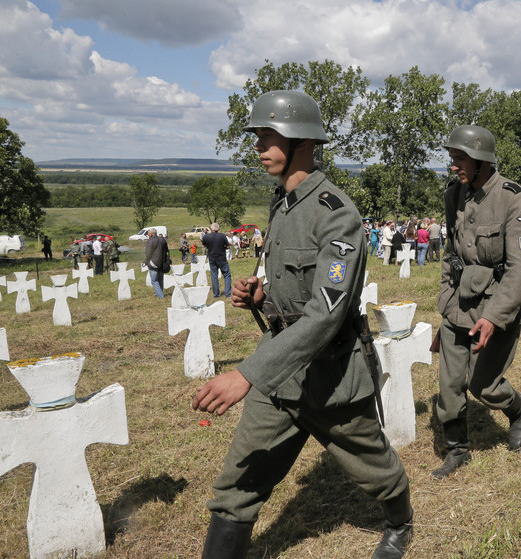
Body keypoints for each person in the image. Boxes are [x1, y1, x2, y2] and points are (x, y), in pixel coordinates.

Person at [192, 90, 412, 559]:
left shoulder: (338, 215)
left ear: (302, 142)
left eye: (269, 136)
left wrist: (247, 373)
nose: (258, 146)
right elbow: (298, 287)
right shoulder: (283, 204)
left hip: (331, 376)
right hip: (281, 374)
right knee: (237, 483)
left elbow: (326, 313)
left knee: (374, 469)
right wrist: (263, 294)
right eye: (258, 135)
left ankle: (400, 521)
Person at [433, 124, 521, 479]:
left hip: (497, 304)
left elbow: (520, 267)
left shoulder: (513, 197)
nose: (453, 165)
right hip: (458, 304)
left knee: (484, 386)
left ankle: (519, 410)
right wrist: (445, 302)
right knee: (449, 386)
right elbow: (451, 254)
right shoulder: (454, 195)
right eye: (452, 158)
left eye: (459, 158)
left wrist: (493, 317)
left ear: (481, 160)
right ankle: (458, 449)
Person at [202, 223, 232, 298]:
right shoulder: (222, 236)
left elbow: (205, 245)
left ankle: (216, 294)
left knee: (214, 275)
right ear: (218, 229)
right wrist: (224, 248)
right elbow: (228, 246)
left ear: (211, 228)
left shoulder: (206, 236)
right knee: (226, 274)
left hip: (212, 258)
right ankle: (228, 293)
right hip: (221, 258)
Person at [144, 228, 167, 298]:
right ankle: (159, 293)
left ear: (151, 234)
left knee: (154, 280)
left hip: (153, 262)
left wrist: (147, 260)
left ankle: (160, 296)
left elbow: (148, 253)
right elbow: (166, 250)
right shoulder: (163, 240)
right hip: (162, 262)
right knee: (160, 279)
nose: (148, 235)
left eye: (148, 234)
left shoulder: (150, 241)